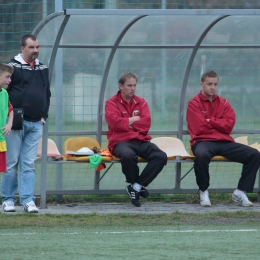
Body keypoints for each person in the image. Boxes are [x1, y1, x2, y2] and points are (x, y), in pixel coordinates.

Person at [186, 70, 260, 207]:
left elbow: (229, 126)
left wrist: (210, 121)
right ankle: (204, 192)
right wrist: (218, 123)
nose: (212, 87)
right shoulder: (193, 103)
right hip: (203, 141)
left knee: (254, 154)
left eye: (215, 84)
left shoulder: (224, 103)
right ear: (201, 84)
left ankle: (240, 192)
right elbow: (199, 128)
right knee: (201, 156)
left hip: (224, 142)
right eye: (209, 84)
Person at [2, 34, 51, 213]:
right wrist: (9, 118)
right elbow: (4, 92)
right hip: (15, 124)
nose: (35, 51)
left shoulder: (43, 68)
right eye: (31, 47)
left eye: (37, 47)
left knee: (29, 163)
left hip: (36, 123)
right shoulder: (12, 67)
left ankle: (27, 200)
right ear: (22, 48)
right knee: (11, 162)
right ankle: (7, 199)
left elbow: (47, 93)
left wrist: (43, 116)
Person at [105, 72, 167, 207]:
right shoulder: (111, 103)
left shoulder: (142, 102)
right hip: (119, 141)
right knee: (128, 155)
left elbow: (146, 123)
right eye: (129, 85)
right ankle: (135, 185)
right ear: (120, 86)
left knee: (160, 156)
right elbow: (114, 123)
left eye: (134, 85)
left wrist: (126, 122)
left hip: (140, 140)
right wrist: (133, 120)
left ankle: (136, 186)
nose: (132, 88)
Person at [0, 63, 14, 173]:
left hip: (1, 140)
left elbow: (10, 109)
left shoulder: (4, 93)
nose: (10, 80)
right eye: (7, 77)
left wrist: (9, 124)